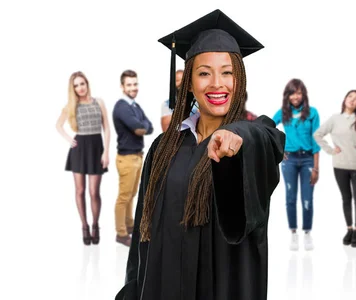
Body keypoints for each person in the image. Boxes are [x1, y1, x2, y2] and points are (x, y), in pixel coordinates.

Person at [115, 9, 285, 300]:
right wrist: (132, 290)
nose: (217, 83)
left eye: (227, 72)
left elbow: (269, 139)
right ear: (189, 83)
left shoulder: (252, 138)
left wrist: (238, 136)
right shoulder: (163, 147)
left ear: (239, 80)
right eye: (204, 73)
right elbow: (143, 234)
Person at [313, 90, 356, 247]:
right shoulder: (335, 119)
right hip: (339, 165)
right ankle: (349, 229)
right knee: (346, 198)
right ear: (345, 99)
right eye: (350, 97)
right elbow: (318, 134)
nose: (352, 101)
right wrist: (331, 150)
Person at [56, 71, 110, 245]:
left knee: (94, 192)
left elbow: (107, 128)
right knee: (80, 191)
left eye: (82, 84)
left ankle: (95, 225)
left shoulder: (99, 102)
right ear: (73, 88)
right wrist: (68, 138)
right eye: (76, 85)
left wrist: (106, 152)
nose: (80, 88)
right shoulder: (71, 106)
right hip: (79, 149)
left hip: (96, 147)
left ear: (87, 84)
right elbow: (58, 125)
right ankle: (84, 226)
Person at [273, 78, 321, 251]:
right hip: (289, 160)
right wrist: (279, 150)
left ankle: (307, 233)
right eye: (292, 93)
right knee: (290, 197)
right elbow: (270, 127)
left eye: (299, 93)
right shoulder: (283, 113)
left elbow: (316, 140)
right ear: (288, 95)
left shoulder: (312, 113)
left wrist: (316, 167)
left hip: (308, 159)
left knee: (307, 198)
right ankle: (293, 233)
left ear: (304, 94)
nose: (296, 96)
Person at [112, 69, 154, 247]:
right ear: (122, 87)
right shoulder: (122, 107)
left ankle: (129, 225)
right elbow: (138, 128)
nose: (133, 87)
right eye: (129, 84)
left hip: (137, 156)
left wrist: (142, 126)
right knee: (124, 197)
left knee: (132, 194)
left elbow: (149, 127)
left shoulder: (134, 106)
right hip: (127, 158)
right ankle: (121, 234)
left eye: (135, 84)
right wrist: (141, 126)